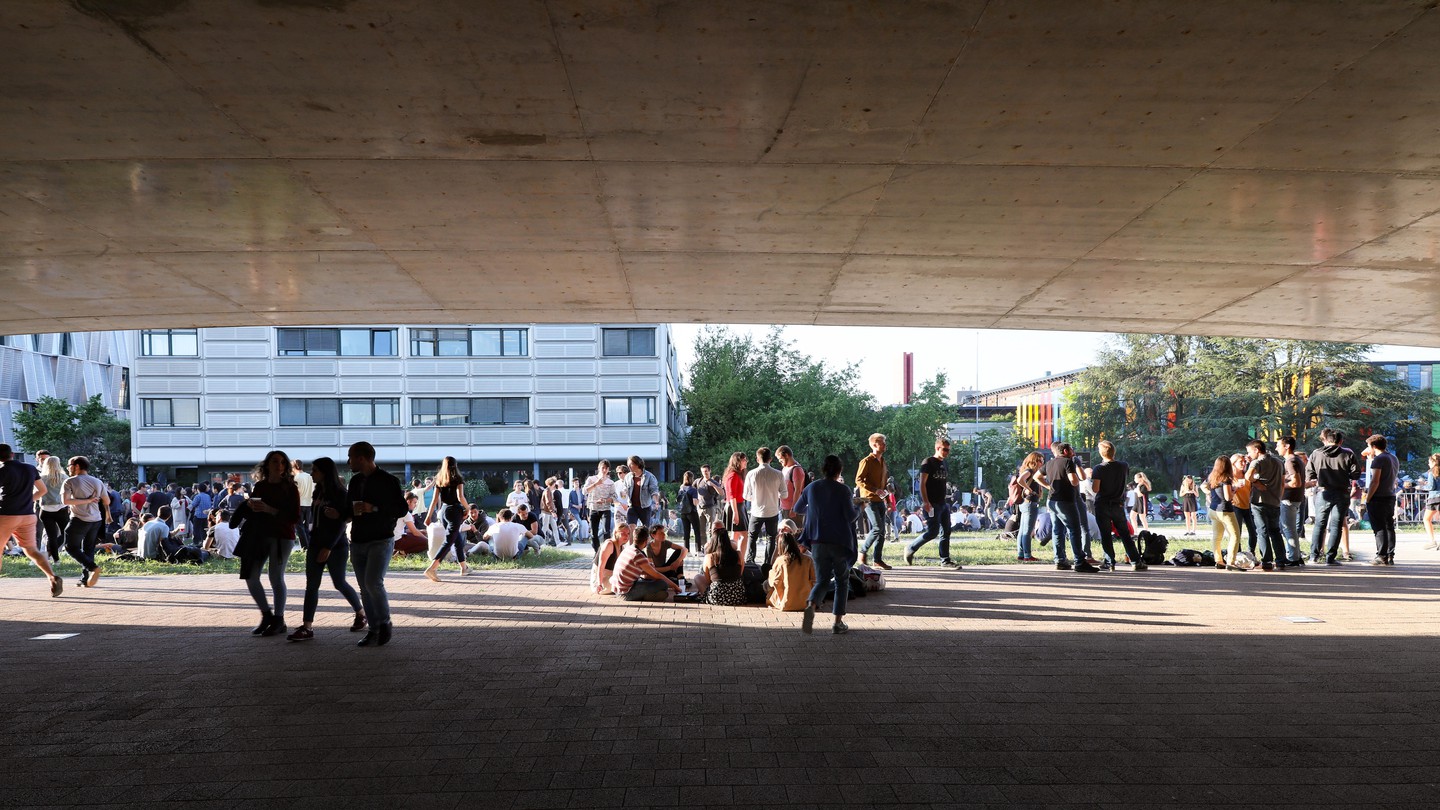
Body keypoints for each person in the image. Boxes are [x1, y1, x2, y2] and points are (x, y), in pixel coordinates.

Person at [286, 457, 366, 642]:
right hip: (315, 543)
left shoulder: (339, 493)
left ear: (324, 472)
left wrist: (328, 547)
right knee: (311, 585)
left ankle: (361, 613)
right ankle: (307, 627)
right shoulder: (318, 491)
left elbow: (342, 522)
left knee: (339, 582)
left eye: (315, 470)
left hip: (335, 546)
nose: (312, 473)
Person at [228, 451, 301, 637]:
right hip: (259, 535)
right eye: (275, 461)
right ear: (267, 465)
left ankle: (279, 618)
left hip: (282, 536)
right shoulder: (260, 486)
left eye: (283, 462)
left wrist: (269, 509)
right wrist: (252, 507)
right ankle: (266, 614)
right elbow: (256, 510)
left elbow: (294, 517)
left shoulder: (290, 488)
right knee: (251, 576)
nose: (279, 465)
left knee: (276, 577)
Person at [346, 441, 408, 647]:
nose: (348, 461)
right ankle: (373, 629)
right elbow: (349, 508)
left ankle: (384, 624)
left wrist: (373, 508)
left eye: (351, 457)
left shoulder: (388, 481)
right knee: (364, 587)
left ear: (361, 458)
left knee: (373, 582)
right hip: (358, 539)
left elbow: (400, 509)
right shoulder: (354, 482)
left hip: (380, 538)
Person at [797, 454, 859, 635]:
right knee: (841, 581)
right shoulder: (844, 490)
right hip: (839, 541)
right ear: (839, 470)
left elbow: (797, 509)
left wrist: (816, 509)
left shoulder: (811, 488)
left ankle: (811, 605)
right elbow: (850, 516)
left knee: (822, 580)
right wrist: (859, 508)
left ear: (822, 469)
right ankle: (838, 623)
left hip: (817, 541)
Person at [0, 444, 64, 597]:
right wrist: (28, 501)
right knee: (31, 550)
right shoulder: (30, 468)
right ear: (13, 454)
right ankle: (52, 577)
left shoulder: (2, 471)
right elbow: (42, 490)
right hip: (28, 515)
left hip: (7, 515)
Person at [1036, 443, 1097, 573]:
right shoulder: (1068, 462)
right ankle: (1080, 561)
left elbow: (1037, 476)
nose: (1073, 451)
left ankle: (1060, 560)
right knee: (1074, 530)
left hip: (1052, 500)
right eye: (1071, 449)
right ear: (1065, 451)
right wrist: (1073, 471)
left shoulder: (1050, 463)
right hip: (1066, 501)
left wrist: (1048, 486)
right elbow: (1074, 481)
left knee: (1057, 531)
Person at [1307, 428, 1362, 565]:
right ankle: (1330, 558)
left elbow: (1309, 474)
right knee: (1336, 525)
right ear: (1340, 441)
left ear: (1326, 439)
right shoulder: (1348, 453)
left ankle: (1314, 556)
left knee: (1320, 524)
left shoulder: (1316, 453)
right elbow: (1356, 474)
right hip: (1342, 492)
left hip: (1323, 492)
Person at [1089, 441, 1146, 571]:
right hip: (1118, 504)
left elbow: (1096, 488)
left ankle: (1109, 562)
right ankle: (1136, 561)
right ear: (1114, 452)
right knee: (1125, 533)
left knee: (1105, 534)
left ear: (1100, 453)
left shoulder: (1099, 468)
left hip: (1102, 504)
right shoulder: (1123, 466)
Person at [905, 438, 962, 569]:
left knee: (946, 531)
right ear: (937, 448)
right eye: (945, 449)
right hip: (931, 504)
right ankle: (910, 548)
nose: (947, 452)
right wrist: (925, 501)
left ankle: (945, 560)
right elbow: (922, 484)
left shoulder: (945, 464)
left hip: (943, 504)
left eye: (948, 450)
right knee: (933, 532)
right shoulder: (928, 462)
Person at [60, 456, 109, 589]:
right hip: (96, 519)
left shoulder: (70, 481)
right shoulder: (98, 481)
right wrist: (93, 499)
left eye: (69, 465)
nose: (67, 467)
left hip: (80, 519)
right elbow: (107, 501)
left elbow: (66, 501)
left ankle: (93, 568)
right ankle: (85, 579)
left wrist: (86, 501)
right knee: (89, 549)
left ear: (76, 466)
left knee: (70, 547)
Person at [422, 456, 473, 581]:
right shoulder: (458, 479)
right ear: (455, 465)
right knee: (449, 540)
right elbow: (460, 497)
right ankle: (432, 568)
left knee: (456, 539)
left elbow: (434, 500)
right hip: (455, 510)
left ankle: (464, 567)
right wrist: (468, 509)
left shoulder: (439, 479)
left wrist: (428, 517)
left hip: (443, 511)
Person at [1244, 440, 1287, 571]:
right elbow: (1283, 482)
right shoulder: (1279, 462)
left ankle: (1267, 561)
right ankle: (1280, 561)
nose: (1249, 455)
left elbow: (1248, 476)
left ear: (1257, 450)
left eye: (1249, 451)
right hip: (1275, 501)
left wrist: (1256, 482)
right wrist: (1279, 496)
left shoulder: (1257, 462)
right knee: (1275, 531)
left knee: (1262, 531)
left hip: (1260, 501)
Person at [743, 446, 787, 568]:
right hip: (772, 511)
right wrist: (774, 495)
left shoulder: (751, 474)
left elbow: (746, 495)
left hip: (757, 511)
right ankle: (768, 564)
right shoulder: (778, 474)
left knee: (752, 537)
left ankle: (750, 562)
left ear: (758, 459)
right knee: (771, 538)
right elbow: (785, 494)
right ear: (770, 459)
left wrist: (755, 498)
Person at [609, 525, 678, 602]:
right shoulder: (638, 555)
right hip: (626, 593)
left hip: (617, 589)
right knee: (662, 584)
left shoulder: (629, 549)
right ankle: (647, 595)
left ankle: (648, 595)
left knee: (652, 581)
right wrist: (675, 586)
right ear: (646, 540)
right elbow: (656, 574)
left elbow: (646, 574)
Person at [855, 433, 890, 570]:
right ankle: (862, 551)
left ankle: (877, 559)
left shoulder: (883, 461)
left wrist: (886, 496)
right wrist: (875, 490)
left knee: (882, 531)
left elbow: (884, 482)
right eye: (882, 443)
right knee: (877, 527)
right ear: (875, 444)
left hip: (880, 500)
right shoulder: (866, 461)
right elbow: (859, 480)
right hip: (868, 499)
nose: (885, 445)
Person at [1363, 434, 1399, 566]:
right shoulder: (1393, 458)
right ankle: (1390, 555)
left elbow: (1375, 481)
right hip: (1390, 495)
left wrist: (1368, 498)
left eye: (1368, 446)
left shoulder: (1379, 460)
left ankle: (1381, 555)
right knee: (1389, 526)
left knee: (1379, 528)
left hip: (1378, 497)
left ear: (1373, 446)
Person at [1203, 456, 1241, 570]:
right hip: (1225, 511)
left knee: (1217, 536)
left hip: (1213, 510)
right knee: (1235, 535)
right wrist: (1235, 490)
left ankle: (1218, 560)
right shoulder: (1226, 479)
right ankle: (1231, 562)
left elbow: (1203, 486)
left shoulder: (1212, 477)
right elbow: (1228, 497)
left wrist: (1210, 494)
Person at [766, 525, 816, 611]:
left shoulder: (781, 560)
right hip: (806, 602)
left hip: (786, 602)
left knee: (765, 584)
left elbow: (773, 582)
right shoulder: (808, 559)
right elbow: (814, 581)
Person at [694, 527, 746, 606]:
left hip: (717, 597)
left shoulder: (710, 557)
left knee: (697, 577)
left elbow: (709, 581)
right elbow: (740, 574)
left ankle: (704, 595)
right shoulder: (738, 554)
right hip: (738, 597)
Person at [1277, 436, 1307, 563]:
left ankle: (1293, 557)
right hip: (1295, 498)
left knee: (1288, 529)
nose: (1276, 448)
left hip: (1289, 498)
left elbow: (1296, 482)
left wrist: (1280, 485)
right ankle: (1296, 556)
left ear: (1287, 446)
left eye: (1278, 445)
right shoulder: (1297, 460)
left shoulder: (1290, 461)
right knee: (1289, 528)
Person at [1010, 452, 1044, 562]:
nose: (1042, 462)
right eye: (1039, 460)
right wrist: (1030, 490)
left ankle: (1021, 553)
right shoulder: (1030, 471)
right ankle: (1027, 555)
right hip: (1030, 503)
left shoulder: (1028, 470)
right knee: (1028, 531)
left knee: (1023, 530)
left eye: (1042, 460)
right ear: (1033, 461)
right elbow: (1020, 480)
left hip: (1025, 503)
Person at [36, 455, 69, 563]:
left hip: (45, 509)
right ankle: (51, 552)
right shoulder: (64, 477)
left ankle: (55, 559)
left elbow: (36, 492)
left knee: (51, 536)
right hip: (61, 508)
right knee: (66, 533)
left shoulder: (41, 478)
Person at [722, 451, 750, 561]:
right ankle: (739, 559)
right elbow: (731, 495)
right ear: (738, 461)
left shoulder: (736, 474)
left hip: (738, 506)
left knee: (737, 534)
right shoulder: (733, 475)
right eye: (744, 460)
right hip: (735, 506)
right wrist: (735, 513)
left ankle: (733, 558)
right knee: (744, 535)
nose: (746, 462)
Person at [582, 461, 616, 552]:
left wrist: (605, 500)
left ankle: (606, 552)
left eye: (606, 468)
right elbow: (584, 491)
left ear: (608, 470)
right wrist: (596, 483)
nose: (604, 470)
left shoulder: (611, 482)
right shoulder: (591, 479)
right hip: (594, 508)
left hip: (606, 509)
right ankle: (597, 552)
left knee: (606, 532)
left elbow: (614, 497)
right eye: (603, 468)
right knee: (594, 533)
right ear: (599, 468)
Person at [620, 455, 660, 527]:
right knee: (631, 527)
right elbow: (625, 489)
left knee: (645, 529)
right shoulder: (628, 477)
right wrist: (623, 494)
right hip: (632, 507)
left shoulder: (649, 476)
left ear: (638, 464)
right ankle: (632, 538)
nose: (629, 466)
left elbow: (654, 491)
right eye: (628, 464)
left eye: (631, 464)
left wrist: (656, 501)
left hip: (645, 507)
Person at [591, 522, 629, 594]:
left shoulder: (622, 547)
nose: (626, 536)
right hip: (600, 578)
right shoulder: (609, 544)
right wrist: (599, 584)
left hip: (611, 576)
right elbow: (601, 567)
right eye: (623, 533)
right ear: (616, 533)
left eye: (628, 534)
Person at [675, 471, 705, 553]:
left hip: (683, 513)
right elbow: (695, 502)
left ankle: (686, 551)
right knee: (697, 531)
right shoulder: (693, 489)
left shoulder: (681, 488)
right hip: (692, 512)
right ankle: (698, 550)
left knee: (686, 532)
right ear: (692, 478)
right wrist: (698, 501)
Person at [777, 445, 806, 526]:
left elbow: (798, 490)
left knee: (794, 534)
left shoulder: (796, 469)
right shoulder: (785, 468)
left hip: (792, 509)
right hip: (784, 508)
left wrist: (794, 508)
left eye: (780, 458)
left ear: (786, 455)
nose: (779, 461)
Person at [292, 459, 314, 549]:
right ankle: (308, 545)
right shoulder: (310, 476)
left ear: (295, 467)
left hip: (299, 504)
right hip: (309, 503)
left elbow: (295, 493)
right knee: (305, 526)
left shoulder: (296, 478)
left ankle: (305, 547)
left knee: (299, 527)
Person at [1424, 454, 1440, 551]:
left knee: (1426, 519)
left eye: (1429, 462)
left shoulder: (1431, 472)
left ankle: (1432, 541)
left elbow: (1431, 487)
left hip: (1434, 498)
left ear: (1433, 462)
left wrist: (1422, 487)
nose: (1428, 464)